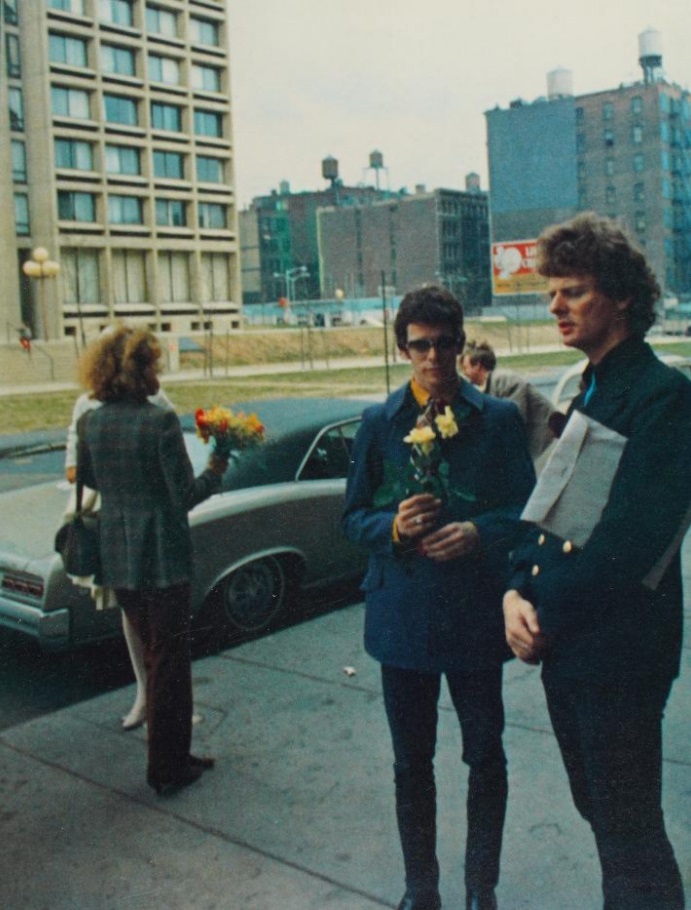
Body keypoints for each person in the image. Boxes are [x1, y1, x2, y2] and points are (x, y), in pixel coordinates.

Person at [503, 212, 691, 910]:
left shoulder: (662, 396)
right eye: (551, 291)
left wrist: (542, 611)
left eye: (572, 291)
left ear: (619, 297)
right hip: (567, 648)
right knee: (602, 817)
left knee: (629, 832)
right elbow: (546, 510)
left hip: (619, 654)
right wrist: (513, 592)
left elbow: (627, 542)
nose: (554, 305)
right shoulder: (585, 387)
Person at [342, 286, 535, 910]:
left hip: (476, 615)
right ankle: (419, 888)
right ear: (403, 348)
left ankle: (483, 887)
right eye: (420, 345)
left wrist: (481, 532)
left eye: (444, 344)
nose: (433, 357)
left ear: (460, 344)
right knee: (410, 764)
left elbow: (529, 513)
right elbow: (351, 518)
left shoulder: (498, 419)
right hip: (403, 617)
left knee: (485, 756)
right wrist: (392, 529)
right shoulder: (379, 423)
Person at [77, 325, 228, 796]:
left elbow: (92, 481)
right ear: (139, 369)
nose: (158, 371)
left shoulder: (91, 422)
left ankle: (174, 756)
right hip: (162, 556)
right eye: (154, 363)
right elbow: (184, 495)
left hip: (117, 555)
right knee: (170, 661)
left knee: (154, 655)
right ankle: (167, 769)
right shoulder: (159, 422)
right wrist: (217, 468)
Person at [65, 382, 175, 732]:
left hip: (147, 520)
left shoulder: (157, 399)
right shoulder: (87, 406)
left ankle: (167, 706)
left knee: (162, 621)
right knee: (131, 612)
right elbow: (73, 469)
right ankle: (145, 694)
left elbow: (171, 450)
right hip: (111, 519)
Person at [461, 340, 556, 460]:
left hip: (546, 435)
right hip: (532, 439)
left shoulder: (505, 380)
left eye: (465, 368)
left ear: (478, 366)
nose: (464, 373)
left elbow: (514, 420)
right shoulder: (487, 388)